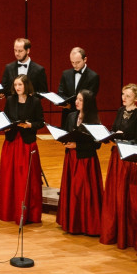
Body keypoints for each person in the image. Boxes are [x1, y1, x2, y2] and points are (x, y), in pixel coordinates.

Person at [99, 84, 137, 249]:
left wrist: (122, 137)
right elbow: (114, 128)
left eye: (127, 95)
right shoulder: (120, 111)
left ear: (135, 98)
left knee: (126, 195)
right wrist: (111, 136)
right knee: (115, 193)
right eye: (123, 95)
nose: (124, 98)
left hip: (129, 158)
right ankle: (114, 229)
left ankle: (127, 234)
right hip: (116, 156)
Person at [0, 75, 45, 224]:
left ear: (26, 85)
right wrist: (3, 127)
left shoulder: (35, 101)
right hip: (11, 143)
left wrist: (30, 125)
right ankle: (9, 212)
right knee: (10, 179)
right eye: (15, 85)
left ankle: (26, 214)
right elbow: (5, 118)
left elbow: (41, 122)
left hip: (26, 144)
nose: (17, 87)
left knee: (25, 179)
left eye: (20, 84)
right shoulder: (10, 100)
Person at [57, 90, 104, 236]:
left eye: (80, 100)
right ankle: (72, 222)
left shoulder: (94, 120)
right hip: (71, 159)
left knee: (84, 192)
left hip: (86, 161)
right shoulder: (71, 116)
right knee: (73, 191)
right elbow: (65, 134)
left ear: (87, 103)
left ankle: (87, 224)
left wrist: (77, 146)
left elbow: (97, 145)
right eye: (76, 99)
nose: (76, 102)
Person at [56, 47, 100, 129]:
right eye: (72, 62)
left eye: (77, 62)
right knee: (66, 140)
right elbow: (60, 93)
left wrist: (71, 106)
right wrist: (64, 103)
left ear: (85, 59)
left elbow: (89, 100)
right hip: (67, 115)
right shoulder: (66, 74)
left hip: (85, 117)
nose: (74, 65)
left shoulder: (93, 76)